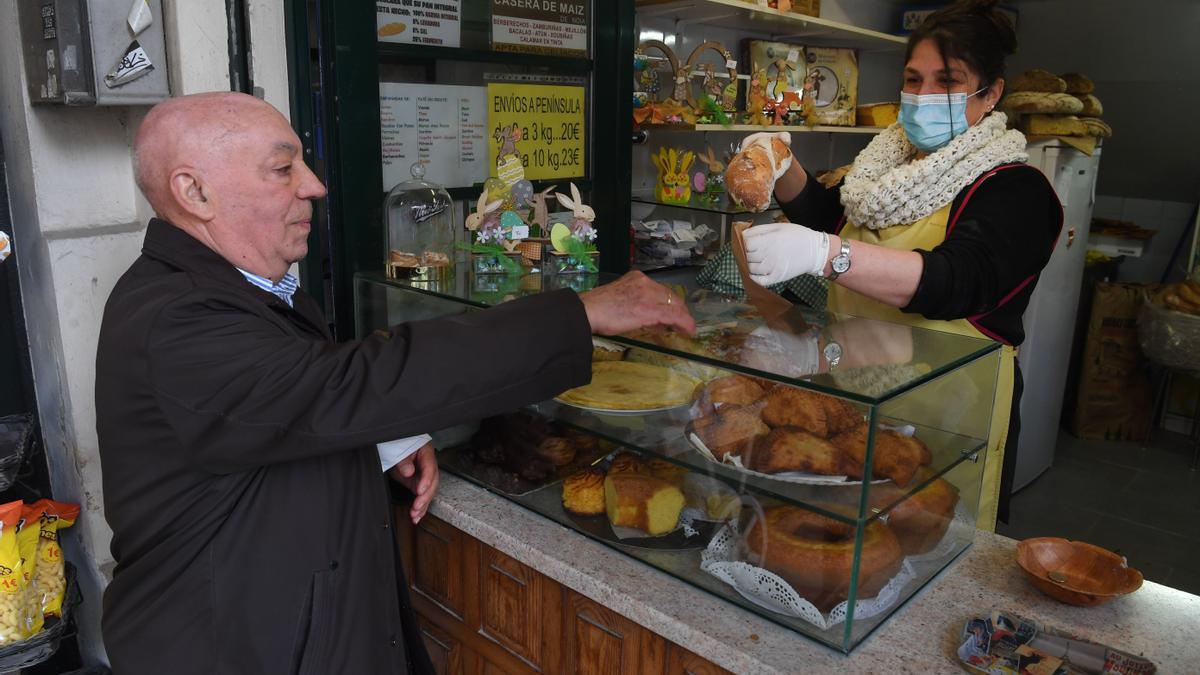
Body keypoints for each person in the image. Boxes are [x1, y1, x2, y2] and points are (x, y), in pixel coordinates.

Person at [95, 91, 694, 674]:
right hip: (228, 645)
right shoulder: (176, 316)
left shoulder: (233, 288)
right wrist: (578, 314)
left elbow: (286, 399)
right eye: (284, 169)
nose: (314, 185)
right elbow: (337, 386)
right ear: (194, 191)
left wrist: (388, 439)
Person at [738, 0, 1062, 530]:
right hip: (855, 398)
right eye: (914, 79)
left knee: (927, 547)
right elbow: (830, 214)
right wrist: (781, 162)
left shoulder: (1014, 188)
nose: (924, 96)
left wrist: (825, 255)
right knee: (845, 540)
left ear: (992, 92)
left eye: (948, 81)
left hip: (951, 418)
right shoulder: (885, 168)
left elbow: (956, 281)